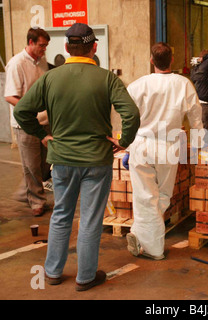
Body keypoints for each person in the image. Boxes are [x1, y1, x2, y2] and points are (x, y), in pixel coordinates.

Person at [13, 23, 140, 291]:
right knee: (91, 219)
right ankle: (85, 277)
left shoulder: (50, 78)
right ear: (94, 47)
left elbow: (21, 111)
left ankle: (53, 272)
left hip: (62, 160)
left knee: (61, 214)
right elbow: (131, 114)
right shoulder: (107, 78)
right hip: (96, 160)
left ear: (67, 48)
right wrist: (123, 141)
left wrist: (42, 135)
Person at [123, 42, 203, 260]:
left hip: (141, 144)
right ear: (172, 60)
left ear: (151, 60)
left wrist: (126, 146)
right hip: (168, 145)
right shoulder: (183, 84)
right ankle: (146, 240)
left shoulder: (138, 85)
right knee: (163, 195)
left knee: (144, 195)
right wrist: (196, 148)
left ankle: (147, 242)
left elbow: (127, 118)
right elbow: (196, 117)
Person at [4, 27, 51, 217]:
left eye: (46, 46)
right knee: (31, 165)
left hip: (45, 121)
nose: (44, 49)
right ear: (31, 42)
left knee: (45, 164)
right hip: (26, 124)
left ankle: (27, 192)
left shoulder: (42, 62)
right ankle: (37, 201)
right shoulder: (17, 63)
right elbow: (10, 96)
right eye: (41, 45)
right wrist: (29, 111)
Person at [190, 50, 208, 135]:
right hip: (205, 107)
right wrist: (201, 59)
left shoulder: (197, 70)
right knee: (206, 136)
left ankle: (200, 148)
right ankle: (204, 149)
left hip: (201, 106)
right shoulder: (204, 70)